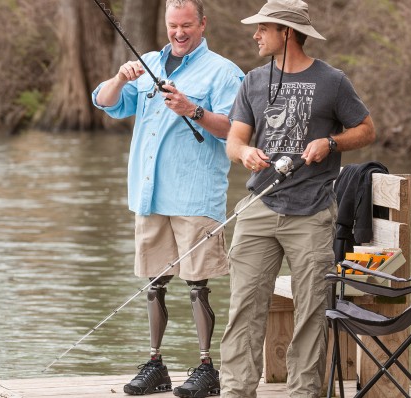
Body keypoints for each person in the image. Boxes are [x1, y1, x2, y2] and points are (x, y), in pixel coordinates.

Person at [218, 0, 376, 397]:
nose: (255, 35)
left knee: (310, 312)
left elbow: (367, 130)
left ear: (286, 32)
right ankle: (236, 391)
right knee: (243, 308)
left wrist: (331, 141)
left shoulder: (332, 80)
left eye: (262, 29)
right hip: (259, 208)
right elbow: (234, 139)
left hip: (312, 213)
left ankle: (303, 393)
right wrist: (244, 153)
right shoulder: (253, 80)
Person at [92, 0, 244, 396]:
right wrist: (120, 79)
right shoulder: (145, 65)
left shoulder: (224, 72)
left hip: (195, 195)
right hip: (149, 194)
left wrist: (192, 109)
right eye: (173, 25)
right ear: (166, 23)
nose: (179, 33)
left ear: (202, 24)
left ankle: (206, 368)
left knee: (198, 284)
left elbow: (235, 131)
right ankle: (156, 365)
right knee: (154, 282)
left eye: (187, 25)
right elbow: (105, 102)